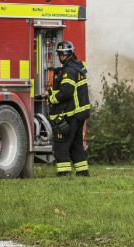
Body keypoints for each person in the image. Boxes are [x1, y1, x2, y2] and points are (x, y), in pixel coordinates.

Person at [49, 40, 91, 177]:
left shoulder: (68, 70)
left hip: (70, 114)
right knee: (76, 145)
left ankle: (64, 174)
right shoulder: (77, 67)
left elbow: (66, 91)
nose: (60, 57)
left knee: (61, 145)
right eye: (59, 55)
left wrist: (51, 98)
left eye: (61, 55)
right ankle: (83, 172)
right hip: (79, 114)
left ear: (67, 54)